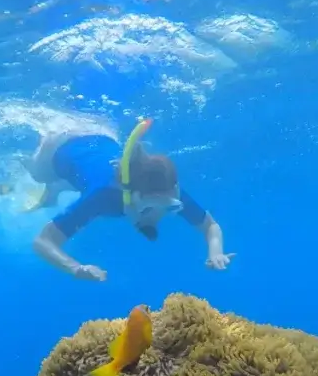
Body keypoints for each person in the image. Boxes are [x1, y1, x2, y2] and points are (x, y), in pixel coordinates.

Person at [21, 119, 234, 281]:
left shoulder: (166, 189)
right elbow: (42, 241)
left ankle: (58, 188)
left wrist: (216, 253)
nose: (156, 216)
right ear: (130, 195)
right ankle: (37, 173)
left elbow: (210, 226)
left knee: (78, 178)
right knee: (38, 175)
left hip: (100, 134)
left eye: (169, 208)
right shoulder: (104, 196)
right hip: (58, 147)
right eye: (150, 207)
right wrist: (75, 268)